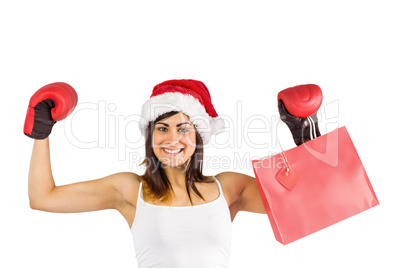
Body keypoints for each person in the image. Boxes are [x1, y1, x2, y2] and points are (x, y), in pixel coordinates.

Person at [26, 79, 266, 268]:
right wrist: (42, 132)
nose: (172, 139)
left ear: (198, 136)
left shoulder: (229, 187)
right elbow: (43, 197)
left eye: (183, 128)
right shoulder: (131, 190)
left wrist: (303, 139)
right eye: (162, 128)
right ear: (150, 137)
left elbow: (301, 204)